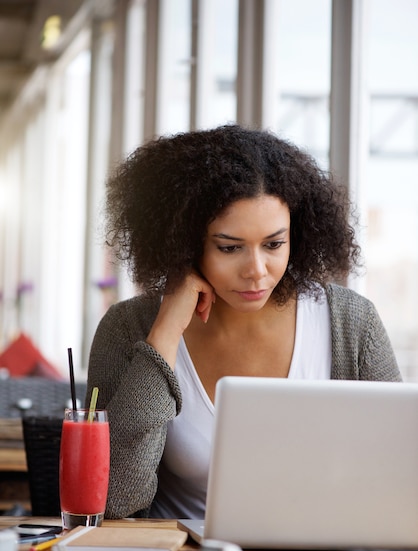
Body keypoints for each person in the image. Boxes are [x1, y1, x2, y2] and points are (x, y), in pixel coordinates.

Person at [86, 124, 401, 520]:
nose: (256, 270)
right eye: (230, 248)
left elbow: (399, 478)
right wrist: (165, 333)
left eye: (274, 244)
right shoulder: (128, 327)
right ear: (185, 242)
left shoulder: (352, 324)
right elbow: (112, 499)